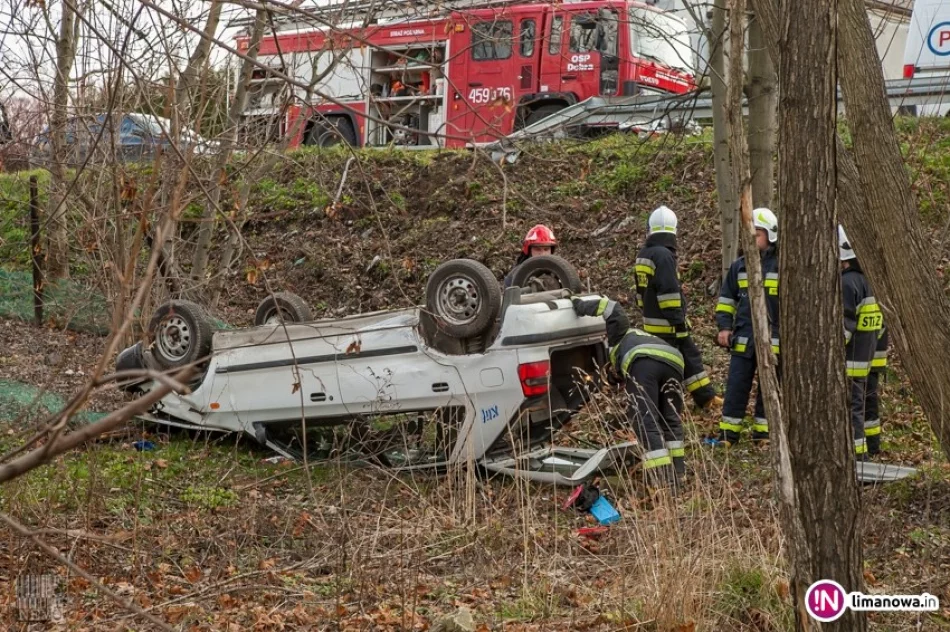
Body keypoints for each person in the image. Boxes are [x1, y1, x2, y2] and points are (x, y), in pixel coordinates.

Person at [572, 295, 686, 488]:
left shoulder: (618, 336)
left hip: (644, 361)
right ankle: (679, 472)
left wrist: (579, 305)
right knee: (670, 420)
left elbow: (611, 307)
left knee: (645, 421)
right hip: (675, 362)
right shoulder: (639, 335)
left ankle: (664, 481)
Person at [634, 206, 722, 412]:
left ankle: (704, 397)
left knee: (685, 359)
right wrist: (678, 321)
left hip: (651, 324)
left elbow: (639, 293)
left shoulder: (644, 254)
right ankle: (687, 403)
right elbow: (669, 293)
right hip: (669, 325)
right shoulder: (664, 256)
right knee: (682, 361)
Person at [711, 208, 780, 447]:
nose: (751, 239)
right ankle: (728, 435)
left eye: (757, 234)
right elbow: (726, 300)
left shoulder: (782, 266)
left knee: (769, 389)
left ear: (770, 235)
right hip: (743, 338)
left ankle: (764, 435)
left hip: (773, 340)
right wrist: (724, 328)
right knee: (736, 386)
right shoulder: (739, 267)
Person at [839, 225, 883, 461]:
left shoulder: (847, 283)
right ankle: (870, 448)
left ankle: (859, 457)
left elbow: (846, 324)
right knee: (864, 405)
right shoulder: (871, 281)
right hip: (867, 357)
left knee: (852, 408)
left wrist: (833, 351)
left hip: (850, 358)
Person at [504, 224, 557, 288]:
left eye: (546, 249)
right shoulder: (514, 275)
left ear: (551, 251)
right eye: (537, 249)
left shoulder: (560, 269)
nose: (542, 254)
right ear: (529, 251)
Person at [866, 324, 888, 457]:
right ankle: (872, 446)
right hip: (872, 358)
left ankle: (870, 447)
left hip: (865, 358)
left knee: (866, 403)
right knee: (869, 402)